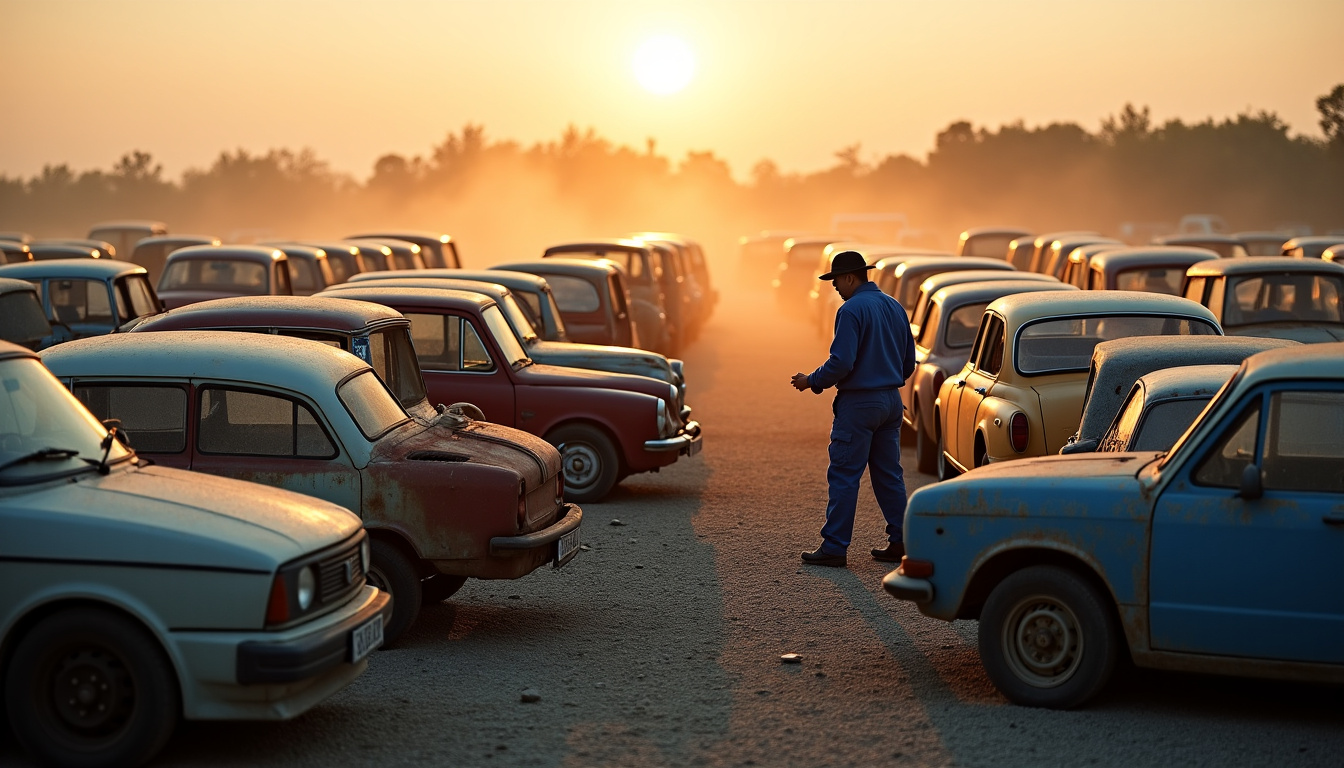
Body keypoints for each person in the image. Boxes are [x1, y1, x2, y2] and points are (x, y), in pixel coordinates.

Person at [790, 250, 916, 567]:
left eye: (835, 281)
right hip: (890, 401)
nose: (834, 287)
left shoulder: (851, 310)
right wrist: (887, 379)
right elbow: (908, 363)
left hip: (860, 403)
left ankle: (834, 547)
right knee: (889, 475)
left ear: (849, 278)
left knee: (845, 475)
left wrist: (812, 381)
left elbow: (842, 362)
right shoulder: (895, 306)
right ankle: (902, 541)